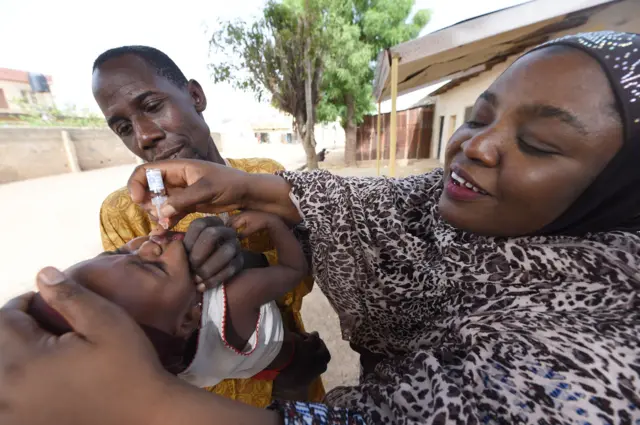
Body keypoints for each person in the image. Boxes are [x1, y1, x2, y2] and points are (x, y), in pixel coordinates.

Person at [2, 31, 640, 424]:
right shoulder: (128, 208)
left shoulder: (597, 369)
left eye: (540, 143)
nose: (473, 148)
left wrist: (157, 403)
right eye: (477, 117)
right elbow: (382, 209)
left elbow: (305, 262)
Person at [91, 45, 325, 404]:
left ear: (195, 96)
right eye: (123, 127)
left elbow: (310, 273)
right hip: (208, 407)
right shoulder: (126, 210)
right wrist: (191, 284)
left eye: (153, 107)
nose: (143, 137)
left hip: (296, 381)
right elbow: (137, 337)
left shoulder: (261, 175)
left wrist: (246, 261)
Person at [27, 213, 322, 389]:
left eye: (118, 252)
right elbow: (293, 270)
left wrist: (160, 254)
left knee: (255, 368)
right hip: (277, 354)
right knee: (302, 357)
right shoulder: (236, 295)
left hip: (242, 369)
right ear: (188, 319)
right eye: (153, 267)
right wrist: (273, 224)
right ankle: (306, 355)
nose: (145, 244)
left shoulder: (158, 364)